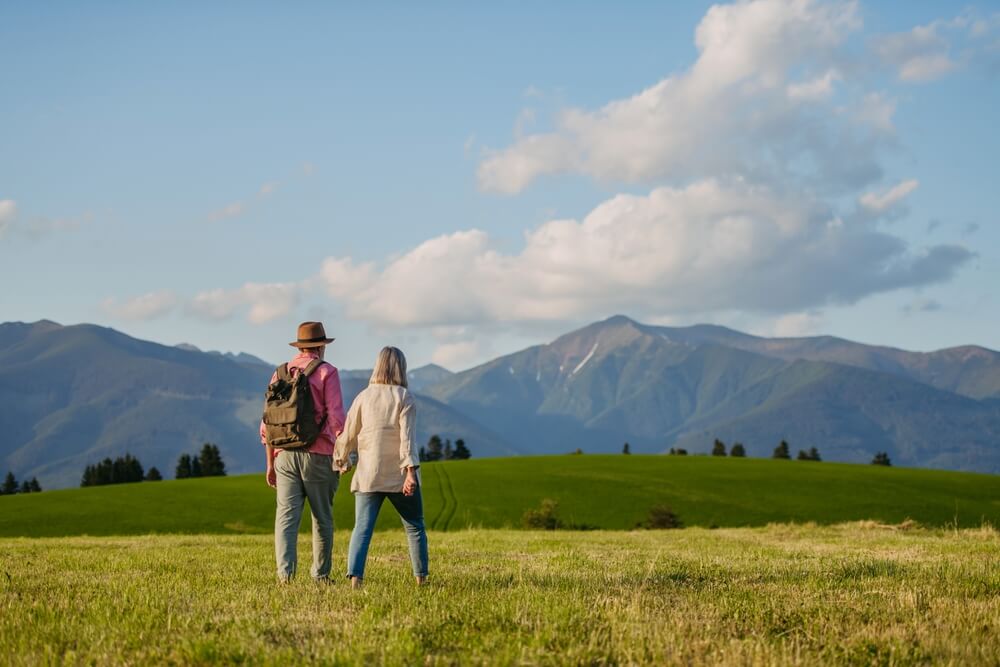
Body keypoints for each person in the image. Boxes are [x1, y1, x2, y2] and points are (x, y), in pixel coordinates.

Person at [334, 346, 428, 588]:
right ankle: (421, 579)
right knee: (415, 526)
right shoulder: (404, 396)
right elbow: (407, 439)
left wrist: (342, 459)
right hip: (398, 475)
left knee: (362, 529)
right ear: (401, 368)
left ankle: (355, 579)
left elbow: (349, 432)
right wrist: (410, 473)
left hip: (368, 474)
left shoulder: (363, 397)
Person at [260, 321, 345, 583]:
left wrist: (270, 464)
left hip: (283, 455)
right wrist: (343, 453)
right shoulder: (326, 372)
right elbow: (337, 419)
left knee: (286, 518)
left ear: (300, 346)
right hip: (318, 455)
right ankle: (320, 576)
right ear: (321, 346)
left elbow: (268, 425)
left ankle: (285, 576)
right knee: (322, 518)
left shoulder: (280, 373)